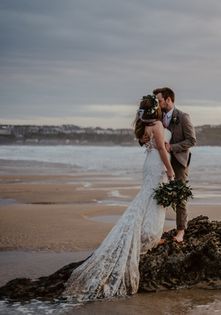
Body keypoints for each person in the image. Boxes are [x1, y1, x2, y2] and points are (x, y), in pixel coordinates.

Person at [63, 95, 174, 301]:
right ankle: (150, 234)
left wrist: (165, 148)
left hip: (149, 163)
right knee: (153, 198)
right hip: (157, 164)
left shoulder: (145, 126)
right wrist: (169, 170)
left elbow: (154, 145)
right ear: (155, 110)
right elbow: (160, 147)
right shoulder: (157, 124)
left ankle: (148, 231)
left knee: (148, 197)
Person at [153, 87, 196, 243]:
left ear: (169, 99)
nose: (157, 103)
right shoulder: (157, 117)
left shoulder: (183, 117)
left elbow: (192, 140)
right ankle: (157, 228)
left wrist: (172, 148)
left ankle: (181, 231)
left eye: (159, 100)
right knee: (159, 195)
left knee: (179, 197)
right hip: (159, 161)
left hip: (179, 162)